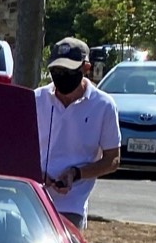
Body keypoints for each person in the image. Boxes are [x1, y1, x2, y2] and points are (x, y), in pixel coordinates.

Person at [35, 36, 120, 228]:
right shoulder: (36, 99)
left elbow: (113, 159)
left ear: (86, 68)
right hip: (33, 196)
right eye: (56, 70)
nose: (61, 75)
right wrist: (35, 173)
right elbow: (17, 149)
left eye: (68, 71)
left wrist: (76, 173)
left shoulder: (104, 105)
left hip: (72, 204)